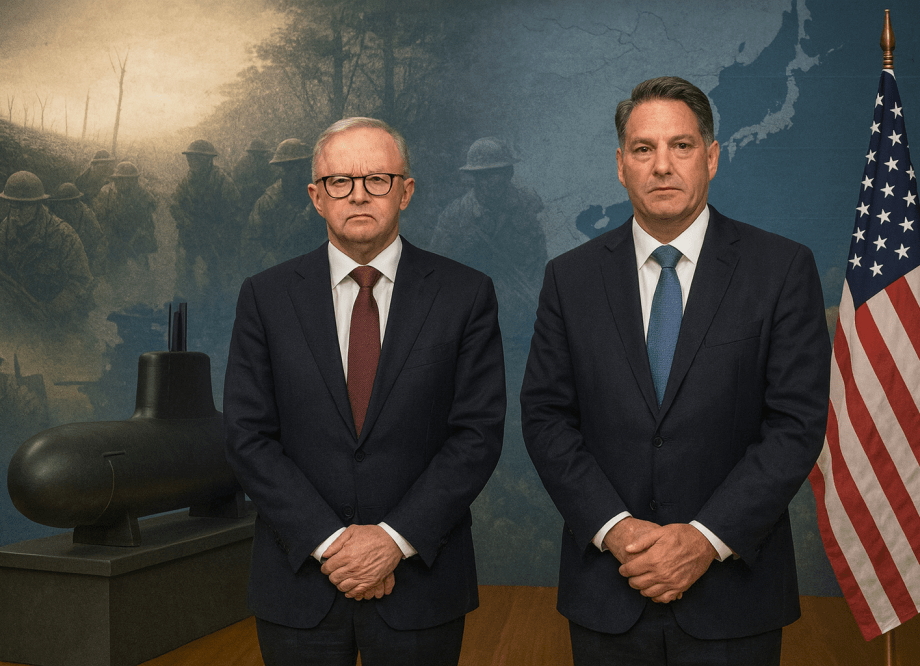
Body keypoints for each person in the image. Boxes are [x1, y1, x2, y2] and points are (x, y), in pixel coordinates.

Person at [520, 76, 831, 665]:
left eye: (681, 146)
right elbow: (545, 417)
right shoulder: (570, 278)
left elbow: (795, 425)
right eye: (644, 149)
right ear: (620, 165)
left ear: (711, 157)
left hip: (736, 597)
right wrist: (617, 530)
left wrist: (703, 540)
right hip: (610, 591)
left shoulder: (782, 268)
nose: (662, 165)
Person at [224, 117, 506, 666]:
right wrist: (332, 544)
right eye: (339, 181)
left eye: (377, 179)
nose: (358, 194)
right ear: (315, 196)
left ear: (407, 191)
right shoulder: (265, 297)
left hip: (421, 581)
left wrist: (391, 542)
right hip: (299, 579)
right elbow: (247, 437)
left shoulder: (465, 294)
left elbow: (476, 435)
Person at [429, 137, 547, 337]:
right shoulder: (456, 216)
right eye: (482, 175)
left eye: (496, 173)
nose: (490, 182)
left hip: (527, 321)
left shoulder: (529, 206)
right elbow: (436, 275)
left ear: (508, 174)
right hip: (476, 324)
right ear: (473, 178)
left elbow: (544, 260)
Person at [0, 171, 94, 323]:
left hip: (59, 315)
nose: (15, 214)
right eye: (12, 206)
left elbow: (82, 281)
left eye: (21, 207)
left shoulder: (64, 235)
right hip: (22, 309)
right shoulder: (5, 229)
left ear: (36, 205)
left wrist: (52, 309)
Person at [241, 138, 328, 275]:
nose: (300, 172)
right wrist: (265, 257)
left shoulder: (323, 195)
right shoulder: (269, 201)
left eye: (303, 166)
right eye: (289, 168)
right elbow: (250, 240)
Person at [169, 139, 243, 294]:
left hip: (215, 235)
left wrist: (219, 230)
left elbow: (235, 209)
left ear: (208, 160)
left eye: (197, 158)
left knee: (217, 275)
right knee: (184, 271)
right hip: (190, 233)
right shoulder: (187, 181)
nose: (191, 162)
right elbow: (175, 203)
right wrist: (186, 222)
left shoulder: (222, 181)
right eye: (190, 158)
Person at [94, 161, 158, 272]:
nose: (124, 182)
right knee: (112, 269)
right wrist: (113, 240)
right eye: (120, 179)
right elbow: (101, 219)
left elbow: (148, 221)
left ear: (134, 180)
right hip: (114, 235)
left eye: (129, 179)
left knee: (142, 269)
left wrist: (135, 241)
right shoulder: (106, 193)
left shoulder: (143, 195)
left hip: (136, 236)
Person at [48, 183, 108, 275]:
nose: (65, 207)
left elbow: (100, 240)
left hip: (87, 258)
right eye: (62, 203)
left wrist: (95, 264)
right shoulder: (56, 214)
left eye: (72, 202)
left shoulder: (87, 216)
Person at [233, 138, 278, 217]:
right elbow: (236, 184)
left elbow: (272, 182)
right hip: (246, 201)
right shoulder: (242, 164)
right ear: (251, 153)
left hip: (264, 200)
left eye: (262, 153)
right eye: (256, 153)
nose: (260, 156)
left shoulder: (266, 164)